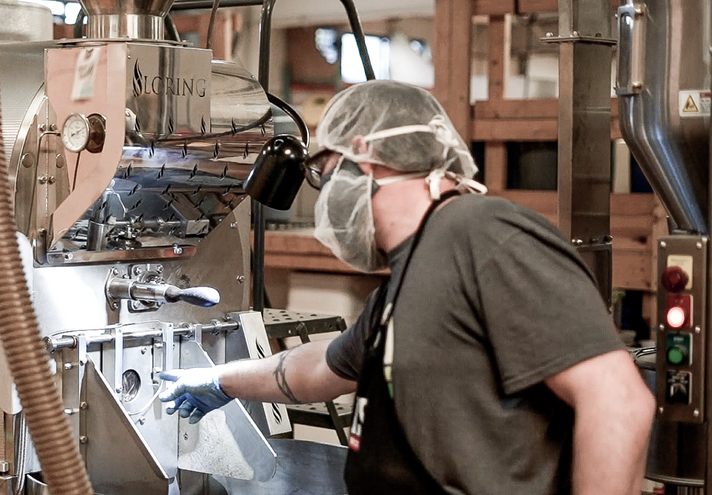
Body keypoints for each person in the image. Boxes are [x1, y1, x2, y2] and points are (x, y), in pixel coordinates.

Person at [160, 80, 655, 495]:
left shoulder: (481, 232)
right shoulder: (410, 276)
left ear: (367, 158)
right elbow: (320, 368)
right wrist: (221, 379)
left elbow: (618, 401)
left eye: (326, 174)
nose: (327, 196)